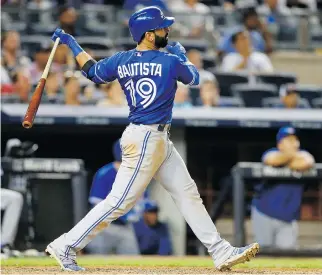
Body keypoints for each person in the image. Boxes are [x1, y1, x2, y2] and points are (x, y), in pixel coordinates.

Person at [46, 6, 259, 272]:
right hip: (147, 138)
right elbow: (193, 78)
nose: (166, 30)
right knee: (119, 201)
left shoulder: (122, 60)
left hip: (154, 139)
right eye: (161, 27)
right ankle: (66, 245)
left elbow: (92, 71)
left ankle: (220, 250)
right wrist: (184, 57)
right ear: (148, 34)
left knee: (186, 193)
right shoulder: (169, 61)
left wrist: (71, 43)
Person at [251, 126, 315, 249]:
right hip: (264, 213)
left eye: (295, 140)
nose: (294, 143)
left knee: (288, 255)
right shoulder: (271, 153)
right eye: (289, 140)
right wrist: (291, 157)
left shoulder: (304, 155)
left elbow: (307, 162)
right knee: (263, 252)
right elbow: (272, 160)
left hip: (288, 218)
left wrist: (288, 160)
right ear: (280, 144)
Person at [86, 140, 141, 255]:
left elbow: (139, 201)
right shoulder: (104, 173)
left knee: (133, 264)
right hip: (103, 227)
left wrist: (136, 212)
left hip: (125, 228)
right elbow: (97, 203)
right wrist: (121, 213)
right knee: (97, 264)